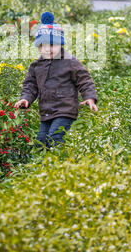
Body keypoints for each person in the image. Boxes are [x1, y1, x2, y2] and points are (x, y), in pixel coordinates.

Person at [14, 11, 98, 149]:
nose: (47, 49)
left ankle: (61, 165)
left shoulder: (70, 62)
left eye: (51, 45)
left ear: (60, 44)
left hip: (65, 110)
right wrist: (26, 98)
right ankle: (43, 168)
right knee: (41, 143)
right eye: (43, 46)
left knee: (55, 138)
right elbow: (30, 85)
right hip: (46, 112)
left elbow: (85, 80)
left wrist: (90, 97)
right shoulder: (36, 65)